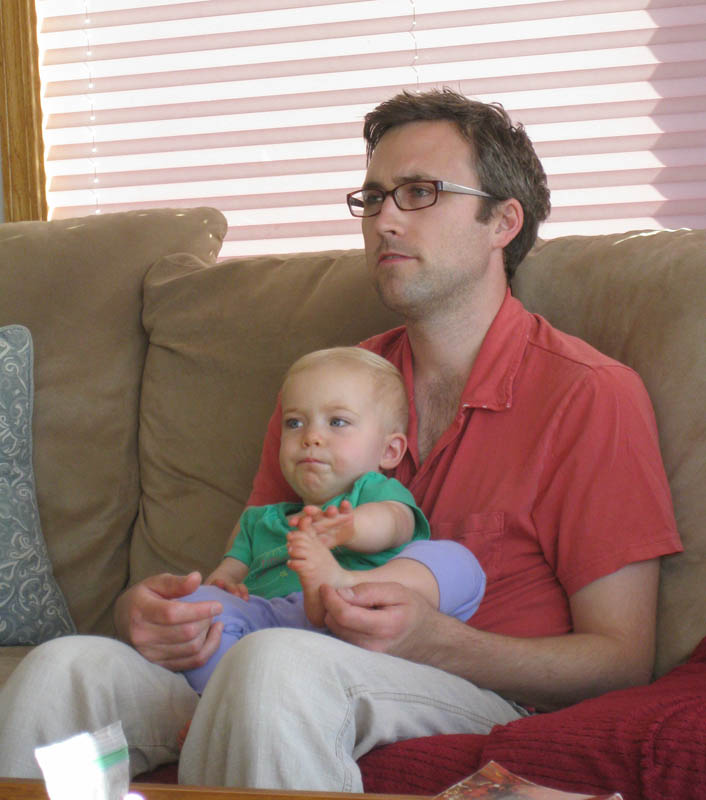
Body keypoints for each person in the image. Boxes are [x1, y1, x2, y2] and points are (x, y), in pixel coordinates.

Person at [0, 88, 681, 791]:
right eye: (373, 197)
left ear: (502, 221)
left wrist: (436, 639)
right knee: (65, 670)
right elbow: (254, 564)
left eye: (418, 193)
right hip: (287, 655)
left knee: (275, 665)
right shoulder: (326, 392)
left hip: (467, 688)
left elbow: (621, 658)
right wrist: (160, 617)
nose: (384, 219)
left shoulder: (589, 394)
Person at [181, 346, 485, 694]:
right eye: (294, 423)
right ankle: (220, 702)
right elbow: (230, 570)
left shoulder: (373, 492)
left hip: (362, 617)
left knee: (457, 562)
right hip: (271, 622)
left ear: (389, 451)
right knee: (198, 611)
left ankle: (341, 583)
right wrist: (222, 585)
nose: (310, 437)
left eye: (337, 422)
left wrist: (350, 527)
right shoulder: (258, 521)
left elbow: (396, 523)